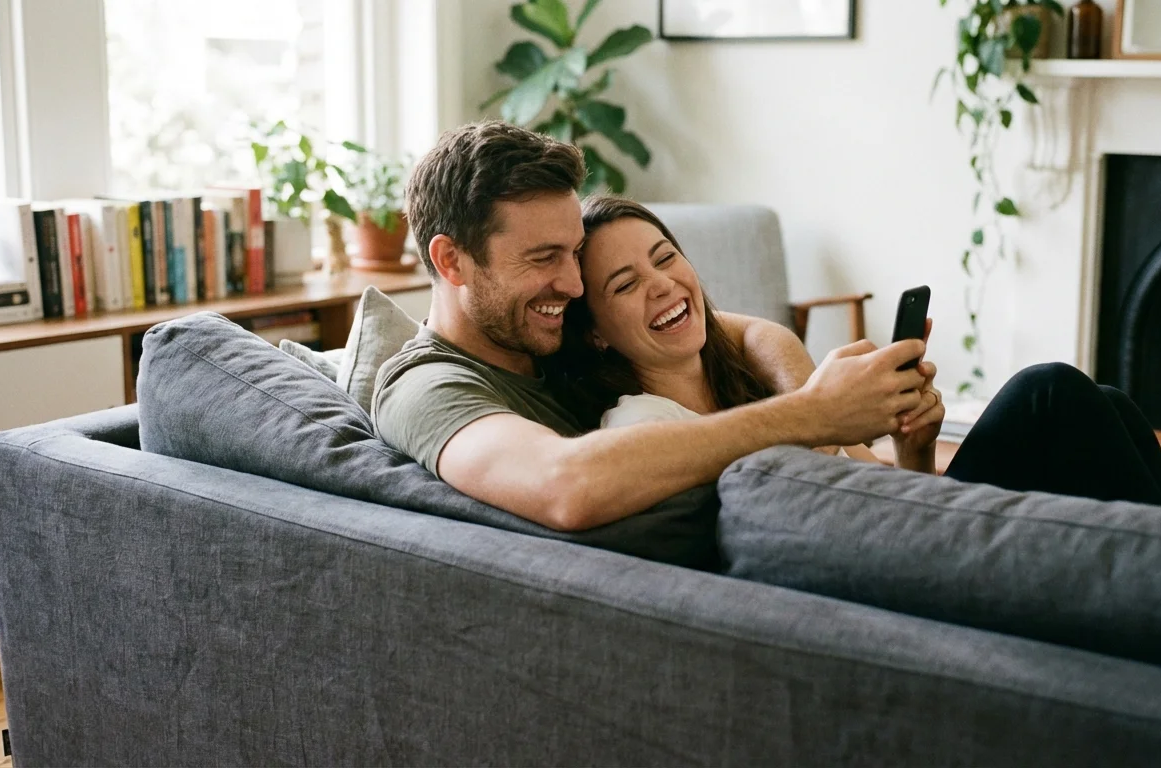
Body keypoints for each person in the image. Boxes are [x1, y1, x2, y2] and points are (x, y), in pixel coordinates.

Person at [373, 121, 936, 532]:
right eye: (544, 258)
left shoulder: (534, 324)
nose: (572, 285)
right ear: (451, 261)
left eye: (574, 253)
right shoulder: (426, 386)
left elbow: (739, 331)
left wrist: (824, 410)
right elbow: (565, 486)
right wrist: (815, 415)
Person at [553, 195, 1161, 510]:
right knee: (1048, 393)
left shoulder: (747, 380)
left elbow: (888, 495)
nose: (662, 283)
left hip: (893, 534)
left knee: (1106, 407)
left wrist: (912, 445)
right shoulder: (643, 425)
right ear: (596, 332)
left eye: (665, 258)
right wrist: (816, 420)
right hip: (867, 581)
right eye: (627, 284)